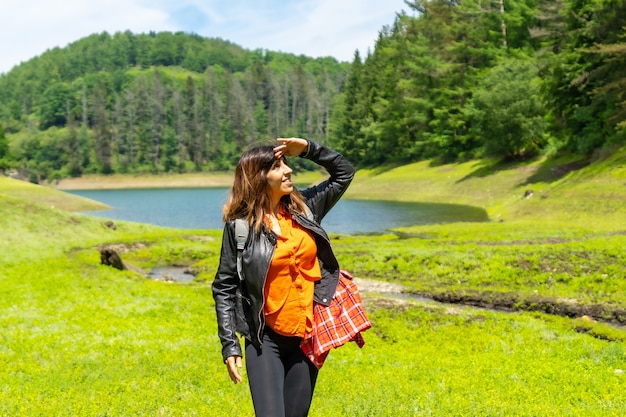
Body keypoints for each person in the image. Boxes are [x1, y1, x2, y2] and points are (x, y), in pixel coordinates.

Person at [212, 137, 355, 417]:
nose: (288, 171)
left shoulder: (306, 209)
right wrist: (230, 345)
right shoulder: (240, 228)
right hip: (265, 340)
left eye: (286, 164)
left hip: (306, 337)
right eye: (278, 167)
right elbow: (224, 287)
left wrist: (308, 150)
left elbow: (345, 172)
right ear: (258, 177)